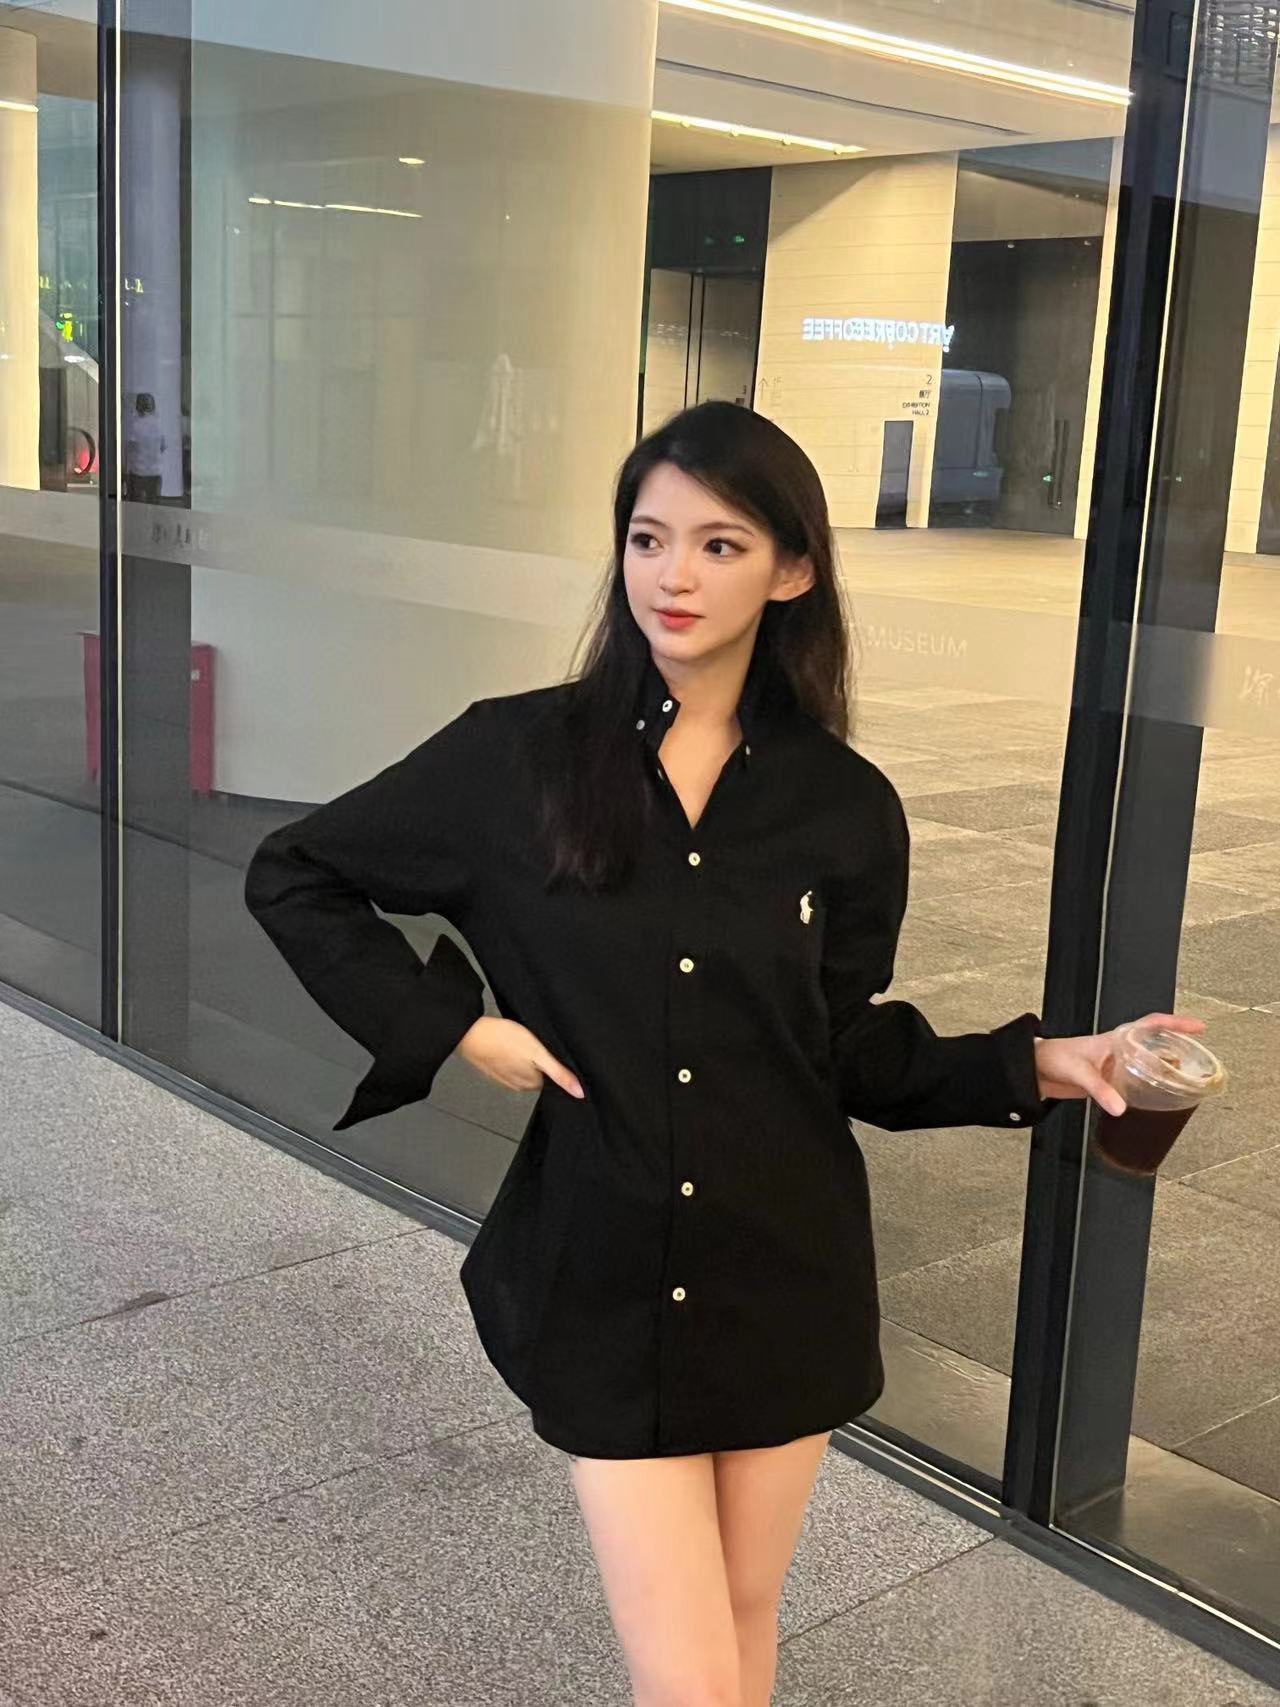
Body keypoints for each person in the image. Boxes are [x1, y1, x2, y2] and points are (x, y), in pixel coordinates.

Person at [242, 400, 1204, 1707]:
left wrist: (1047, 1062)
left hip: (785, 1273)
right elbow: (297, 874)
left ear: (791, 571)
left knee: (742, 1627)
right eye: (648, 538)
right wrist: (457, 1025)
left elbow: (844, 1049)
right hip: (606, 1271)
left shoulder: (842, 808)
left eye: (719, 543)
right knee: (692, 1679)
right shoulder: (514, 757)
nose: (673, 574)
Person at [123, 391, 165, 502]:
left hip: (138, 472)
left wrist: (125, 473)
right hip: (155, 472)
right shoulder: (159, 425)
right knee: (154, 502)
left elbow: (129, 450)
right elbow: (162, 447)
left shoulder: (134, 425)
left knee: (136, 503)